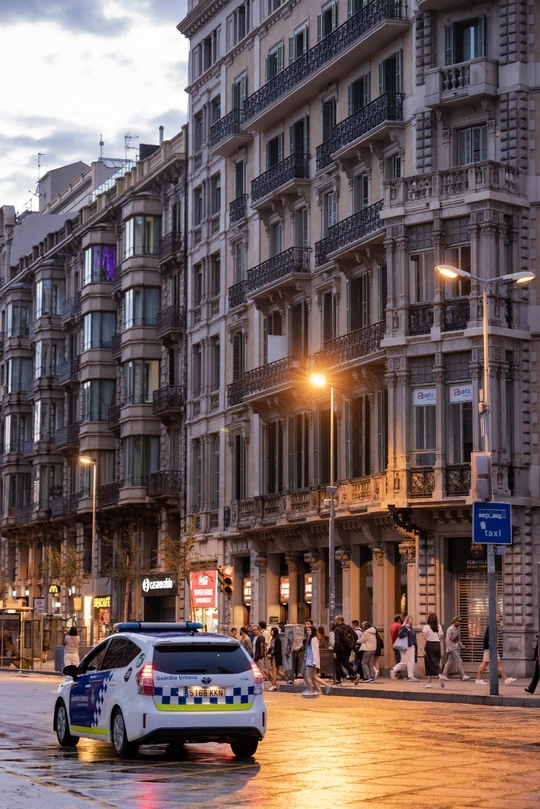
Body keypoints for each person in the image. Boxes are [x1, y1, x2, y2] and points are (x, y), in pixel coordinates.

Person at [476, 614, 516, 684]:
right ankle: (479, 679)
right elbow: (489, 637)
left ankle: (505, 679)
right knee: (486, 663)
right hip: (490, 648)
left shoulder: (493, 625)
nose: (499, 618)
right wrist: (491, 646)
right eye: (498, 617)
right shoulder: (491, 626)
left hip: (492, 647)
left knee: (496, 662)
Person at [390, 615, 418, 681]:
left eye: (412, 619)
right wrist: (407, 632)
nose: (412, 620)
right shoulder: (404, 627)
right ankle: (394, 670)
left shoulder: (411, 628)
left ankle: (410, 676)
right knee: (404, 662)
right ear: (407, 620)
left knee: (411, 662)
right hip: (405, 646)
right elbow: (400, 635)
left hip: (411, 646)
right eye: (411, 619)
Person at [442, 617, 470, 681]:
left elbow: (457, 640)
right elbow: (447, 639)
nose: (459, 623)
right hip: (452, 648)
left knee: (449, 662)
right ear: (454, 621)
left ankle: (443, 675)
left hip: (454, 647)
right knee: (459, 661)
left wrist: (463, 647)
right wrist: (449, 648)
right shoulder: (450, 629)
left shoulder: (456, 629)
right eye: (458, 621)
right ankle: (463, 675)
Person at [332, 615, 356, 685]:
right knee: (346, 663)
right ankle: (354, 674)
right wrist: (352, 645)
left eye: (336, 620)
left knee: (338, 664)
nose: (335, 621)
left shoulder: (337, 629)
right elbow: (355, 636)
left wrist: (335, 651)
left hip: (340, 649)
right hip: (348, 649)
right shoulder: (348, 627)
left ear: (339, 620)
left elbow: (337, 641)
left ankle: (338, 680)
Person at [422, 613, 444, 688]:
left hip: (429, 645)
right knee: (436, 662)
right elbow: (441, 636)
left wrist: (423, 648)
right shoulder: (439, 627)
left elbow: (425, 638)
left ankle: (430, 683)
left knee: (428, 663)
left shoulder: (426, 627)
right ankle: (439, 675)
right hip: (437, 645)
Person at [303, 626, 325, 696]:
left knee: (308, 676)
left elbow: (315, 651)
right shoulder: (311, 639)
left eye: (309, 630)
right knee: (313, 676)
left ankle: (310, 691)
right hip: (311, 660)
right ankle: (325, 686)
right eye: (307, 630)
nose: (308, 632)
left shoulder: (313, 639)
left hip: (312, 661)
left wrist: (314, 661)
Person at [267, 626, 286, 691]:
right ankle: (287, 680)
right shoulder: (273, 639)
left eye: (271, 631)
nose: (270, 632)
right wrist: (268, 652)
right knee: (277, 671)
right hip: (273, 657)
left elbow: (277, 649)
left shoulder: (278, 640)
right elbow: (271, 648)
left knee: (274, 671)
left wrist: (271, 654)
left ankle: (274, 685)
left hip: (276, 657)